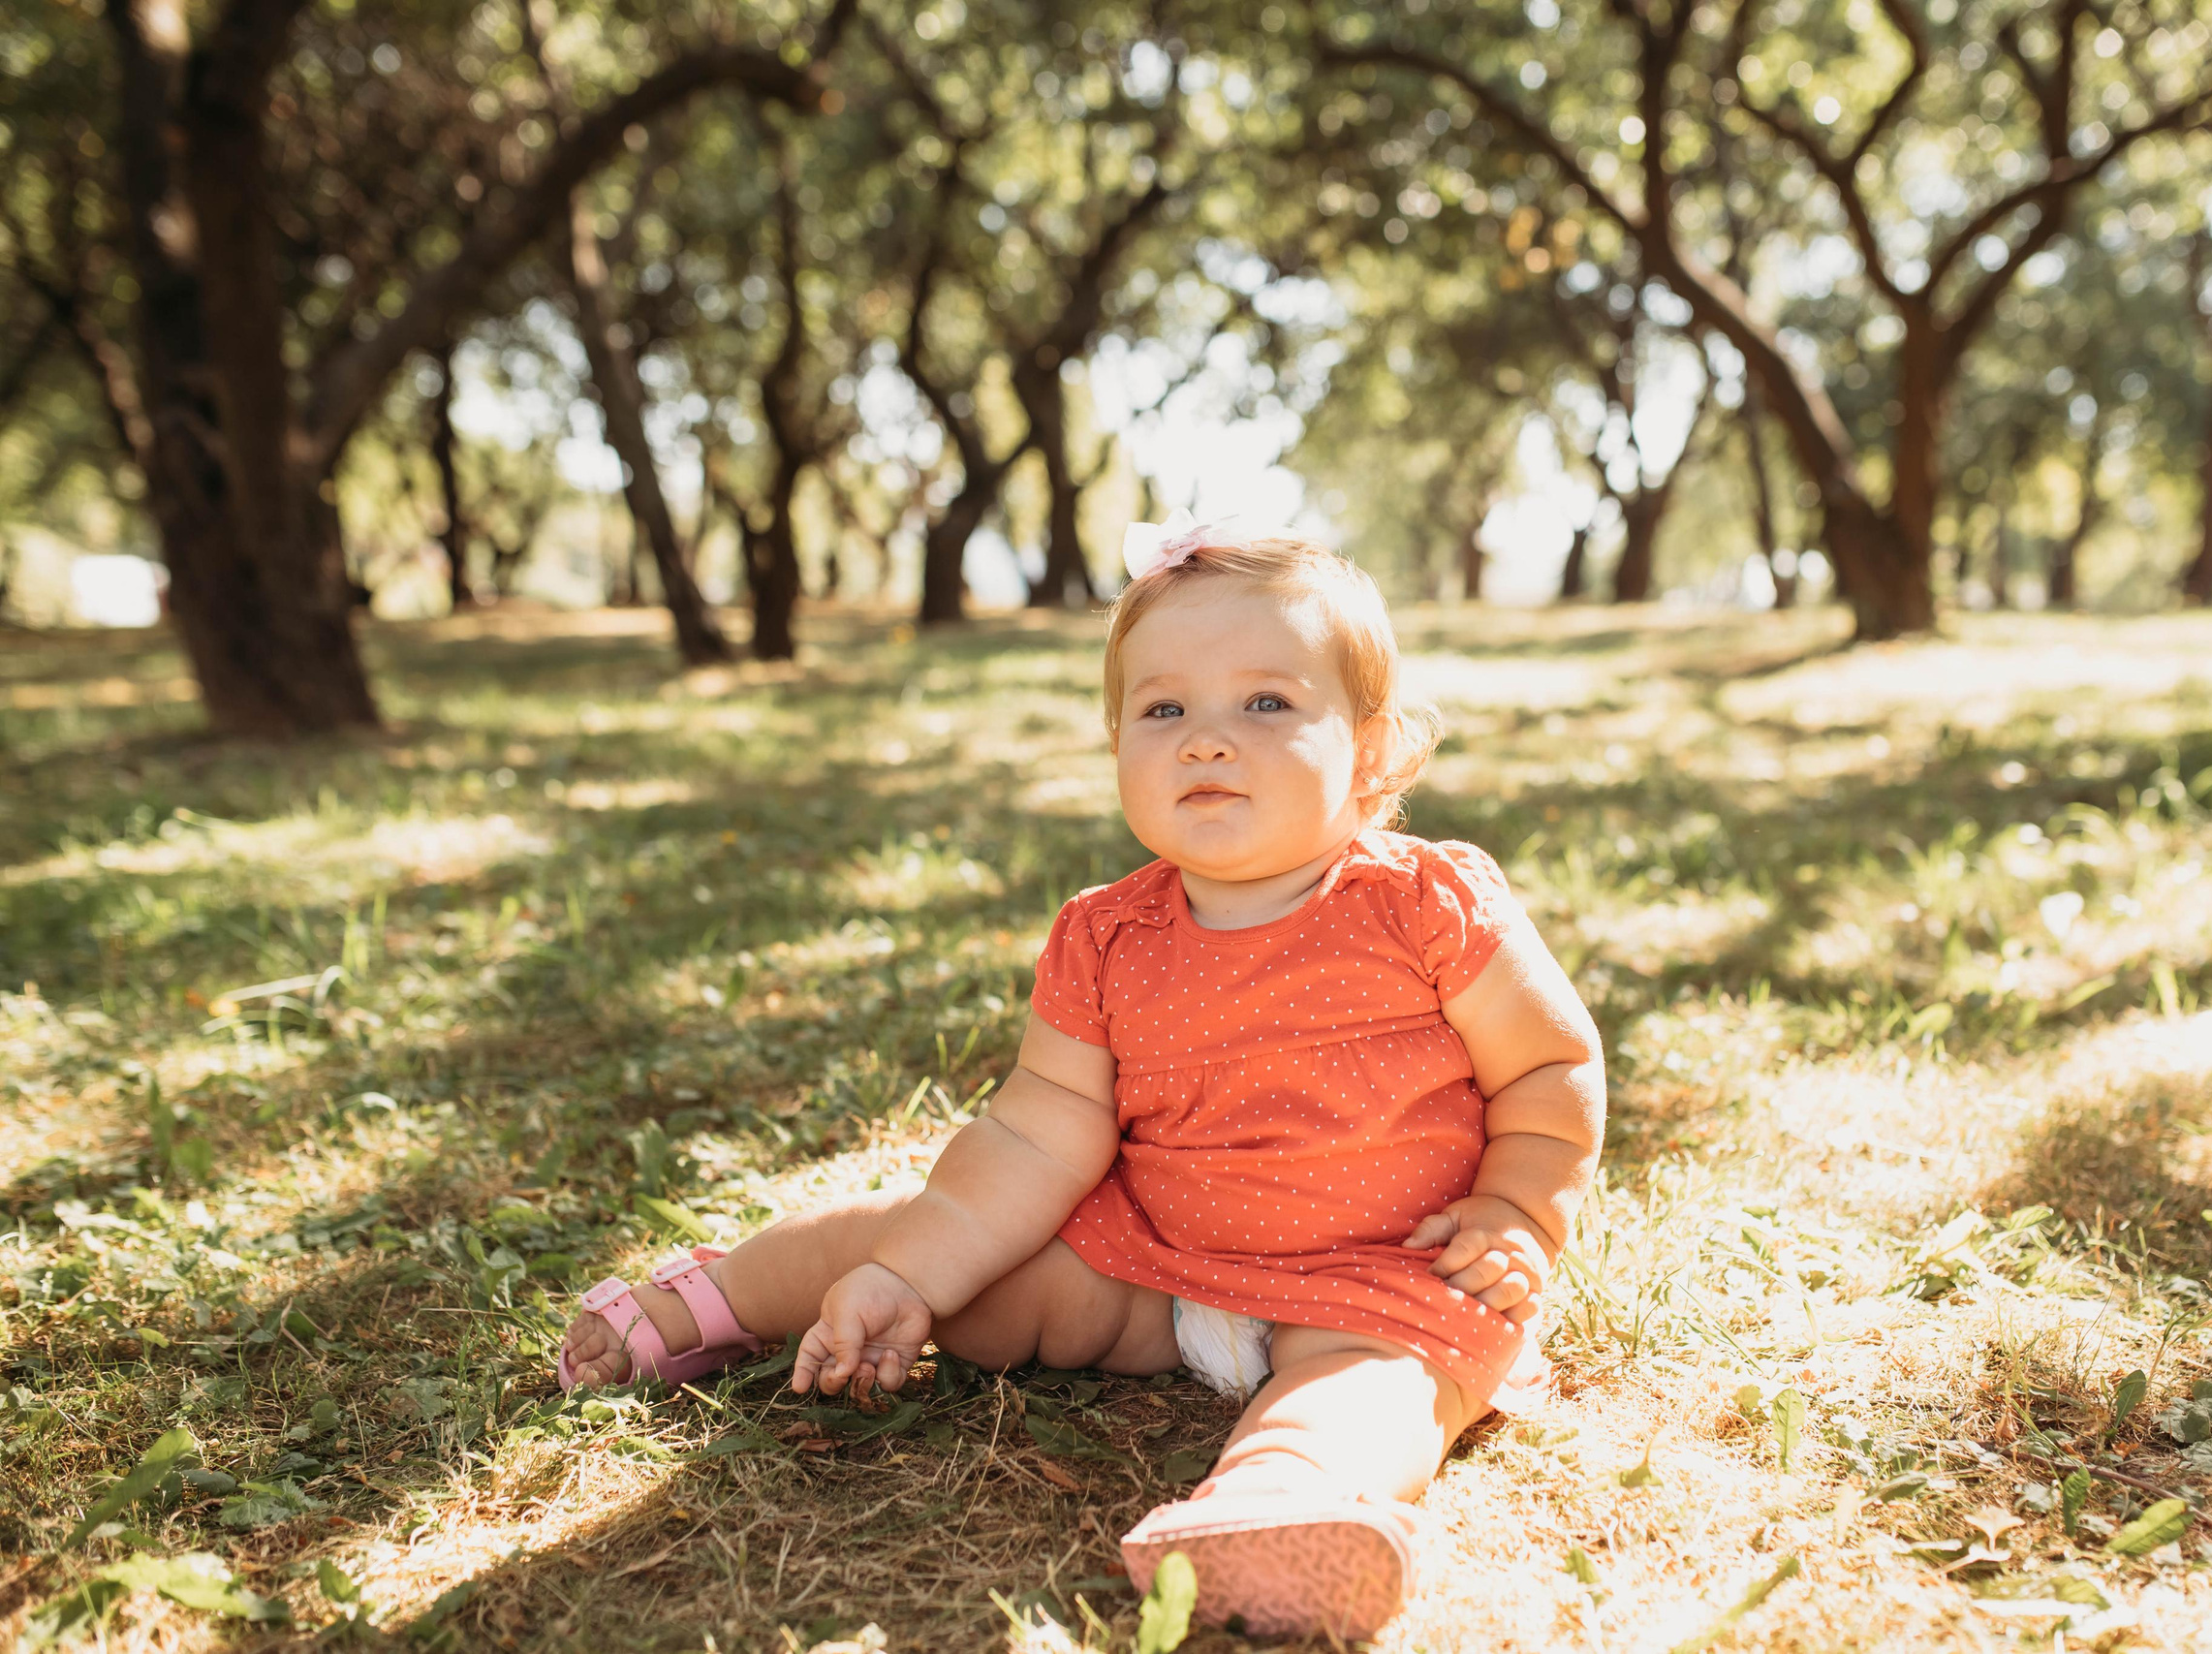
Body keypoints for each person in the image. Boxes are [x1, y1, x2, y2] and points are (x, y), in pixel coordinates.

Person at [556, 517, 1605, 1640]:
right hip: (1150, 1256)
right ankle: (724, 1294)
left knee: (1375, 1391)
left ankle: (1280, 1506)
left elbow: (1549, 1066)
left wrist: (1514, 1213)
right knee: (942, 1265)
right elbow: (1032, 1140)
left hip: (1382, 1273)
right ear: (1117, 745)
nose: (1206, 741)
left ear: (1375, 746)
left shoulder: (1425, 903)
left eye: (1265, 704)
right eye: (1164, 711)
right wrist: (914, 1272)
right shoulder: (1104, 936)